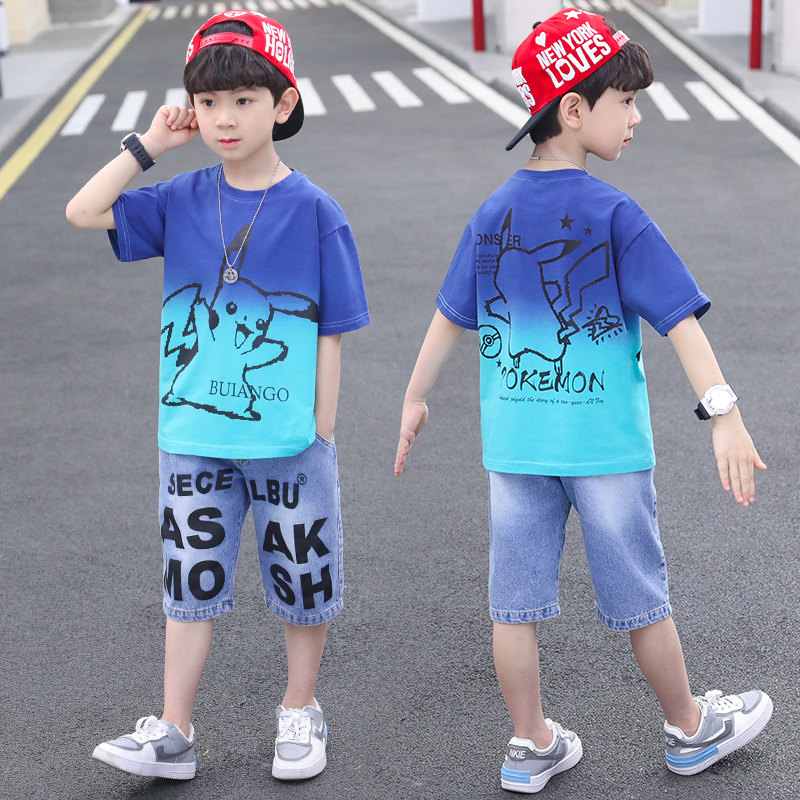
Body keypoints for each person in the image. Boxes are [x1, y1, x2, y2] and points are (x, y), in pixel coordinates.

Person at [394, 7, 771, 794]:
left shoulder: (493, 212)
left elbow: (449, 316)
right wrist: (725, 413)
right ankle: (689, 728)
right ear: (573, 109)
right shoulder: (614, 214)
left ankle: (530, 742)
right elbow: (679, 321)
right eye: (624, 101)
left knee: (514, 606)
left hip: (516, 448)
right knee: (642, 597)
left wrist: (415, 397)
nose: (635, 116)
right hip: (604, 447)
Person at [66, 9, 369, 782]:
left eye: (243, 100)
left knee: (301, 578)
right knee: (190, 580)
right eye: (207, 103)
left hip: (289, 440)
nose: (223, 119)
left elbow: (333, 331)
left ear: (283, 103)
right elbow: (83, 211)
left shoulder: (317, 212)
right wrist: (148, 146)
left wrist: (320, 430)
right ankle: (174, 729)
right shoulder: (181, 197)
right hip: (192, 436)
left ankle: (300, 708)